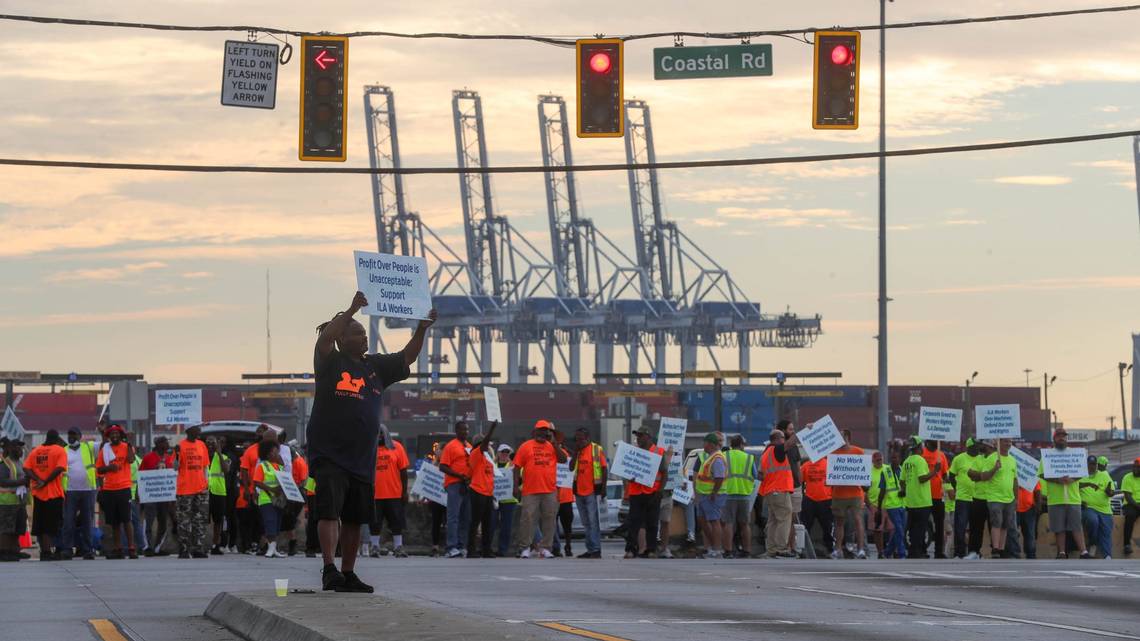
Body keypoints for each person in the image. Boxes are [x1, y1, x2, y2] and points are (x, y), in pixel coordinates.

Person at [306, 291, 434, 592]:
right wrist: (350, 310)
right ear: (342, 339)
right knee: (329, 512)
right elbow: (323, 340)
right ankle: (329, 569)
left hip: (361, 459)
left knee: (354, 518)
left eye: (365, 333)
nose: (365, 338)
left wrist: (422, 328)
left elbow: (407, 357)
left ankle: (348, 572)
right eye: (357, 333)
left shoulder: (375, 366)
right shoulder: (330, 362)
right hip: (330, 454)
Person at [513, 420, 567, 558]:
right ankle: (525, 547)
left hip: (549, 490)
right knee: (528, 519)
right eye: (540, 430)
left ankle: (545, 548)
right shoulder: (525, 446)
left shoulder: (552, 446)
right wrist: (515, 486)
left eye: (545, 430)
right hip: (530, 490)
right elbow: (517, 466)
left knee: (549, 519)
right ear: (534, 431)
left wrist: (555, 444)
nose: (542, 433)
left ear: (548, 433)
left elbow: (563, 459)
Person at [1037, 429, 1089, 559]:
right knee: (1059, 528)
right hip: (1055, 498)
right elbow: (1042, 474)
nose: (1062, 438)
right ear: (1054, 439)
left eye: (1064, 436)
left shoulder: (1075, 453)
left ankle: (1084, 552)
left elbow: (1081, 471)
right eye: (1059, 436)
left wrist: (1072, 479)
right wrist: (1057, 480)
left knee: (1077, 526)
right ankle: (1061, 552)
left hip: (1073, 498)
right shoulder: (1048, 455)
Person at [623, 426, 672, 559]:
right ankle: (631, 549)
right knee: (633, 522)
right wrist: (628, 478)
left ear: (648, 437)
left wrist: (660, 491)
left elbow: (664, 473)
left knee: (652, 522)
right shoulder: (634, 452)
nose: (638, 438)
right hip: (636, 493)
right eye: (637, 436)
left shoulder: (658, 452)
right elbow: (626, 472)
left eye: (641, 436)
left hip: (652, 493)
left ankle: (651, 550)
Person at [23, 430, 68, 561]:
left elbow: (26, 468)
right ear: (56, 438)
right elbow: (59, 468)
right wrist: (45, 481)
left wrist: (37, 480)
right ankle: (49, 552)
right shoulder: (59, 450)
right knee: (52, 524)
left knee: (40, 525)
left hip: (38, 494)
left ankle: (44, 552)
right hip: (53, 494)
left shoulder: (36, 451)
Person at [969, 438, 1015, 558]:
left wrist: (1017, 498)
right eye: (1006, 441)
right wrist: (995, 468)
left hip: (1009, 498)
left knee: (1005, 525)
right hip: (993, 497)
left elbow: (1015, 480)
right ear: (998, 444)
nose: (1008, 443)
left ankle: (1001, 548)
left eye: (1010, 441)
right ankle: (994, 549)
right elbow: (983, 476)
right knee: (996, 523)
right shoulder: (990, 459)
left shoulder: (1012, 460)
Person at [369, 426, 409, 558]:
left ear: (386, 434)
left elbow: (403, 471)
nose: (379, 436)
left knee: (397, 522)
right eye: (376, 433)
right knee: (375, 523)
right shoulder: (369, 449)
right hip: (375, 494)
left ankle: (398, 547)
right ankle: (374, 547)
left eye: (381, 433)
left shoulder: (397, 447)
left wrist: (404, 491)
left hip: (394, 493)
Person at [568, 428, 607, 559]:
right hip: (579, 491)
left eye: (581, 439)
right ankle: (590, 549)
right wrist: (575, 453)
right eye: (576, 439)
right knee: (585, 523)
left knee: (593, 521)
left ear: (588, 438)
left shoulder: (596, 449)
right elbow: (571, 467)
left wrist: (603, 488)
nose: (578, 441)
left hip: (591, 491)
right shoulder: (578, 452)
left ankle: (596, 549)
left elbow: (604, 468)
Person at [829, 429, 868, 559]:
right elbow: (830, 475)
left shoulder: (858, 452)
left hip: (855, 493)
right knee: (839, 522)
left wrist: (866, 482)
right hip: (838, 493)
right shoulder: (833, 453)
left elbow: (864, 472)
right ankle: (838, 549)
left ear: (847, 437)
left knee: (858, 520)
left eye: (841, 436)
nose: (839, 439)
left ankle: (861, 549)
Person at [60, 427, 98, 560]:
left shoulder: (89, 447)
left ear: (80, 436)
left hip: (87, 491)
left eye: (74, 435)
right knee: (68, 521)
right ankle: (67, 549)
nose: (71, 437)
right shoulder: (63, 451)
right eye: (69, 435)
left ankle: (87, 550)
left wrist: (104, 431)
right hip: (70, 491)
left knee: (87, 522)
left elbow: (105, 445)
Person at [173, 425, 210, 559]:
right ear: (189, 431)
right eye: (197, 429)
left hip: (201, 489)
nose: (199, 431)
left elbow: (205, 466)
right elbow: (175, 467)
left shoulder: (202, 445)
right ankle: (184, 549)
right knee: (184, 521)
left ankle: (198, 548)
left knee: (199, 520)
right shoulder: (180, 446)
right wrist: (176, 455)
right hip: (185, 489)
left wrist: (206, 485)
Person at [759, 429, 797, 558]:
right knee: (785, 518)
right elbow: (790, 443)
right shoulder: (778, 449)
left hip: (770, 491)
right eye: (782, 437)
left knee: (773, 521)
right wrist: (803, 431)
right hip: (779, 490)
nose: (784, 440)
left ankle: (771, 550)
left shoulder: (766, 453)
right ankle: (781, 549)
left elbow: (760, 475)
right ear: (776, 439)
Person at [900, 436, 939, 559]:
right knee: (920, 528)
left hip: (911, 501)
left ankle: (918, 551)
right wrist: (935, 471)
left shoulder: (907, 461)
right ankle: (916, 552)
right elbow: (922, 478)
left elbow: (902, 481)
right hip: (922, 500)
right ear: (918, 447)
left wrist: (907, 490)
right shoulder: (920, 460)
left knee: (912, 528)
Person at [438, 421, 472, 559]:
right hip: (454, 484)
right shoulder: (450, 446)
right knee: (453, 517)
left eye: (467, 430)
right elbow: (443, 466)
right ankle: (451, 547)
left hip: (467, 485)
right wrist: (459, 475)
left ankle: (461, 545)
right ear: (457, 430)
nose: (466, 432)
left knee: (466, 517)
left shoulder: (469, 446)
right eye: (463, 430)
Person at [466, 422, 499, 558]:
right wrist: (491, 429)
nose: (488, 447)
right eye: (486, 444)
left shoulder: (486, 458)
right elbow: (484, 444)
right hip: (477, 491)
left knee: (487, 523)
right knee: (475, 522)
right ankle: (471, 550)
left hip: (487, 493)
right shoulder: (476, 453)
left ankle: (486, 549)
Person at [238, 426, 271, 555]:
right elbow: (244, 471)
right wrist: (246, 489)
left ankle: (264, 545)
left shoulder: (271, 451)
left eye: (262, 432)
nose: (259, 434)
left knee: (265, 519)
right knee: (251, 520)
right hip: (254, 491)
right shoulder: (250, 451)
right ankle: (250, 544)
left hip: (268, 491)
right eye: (258, 432)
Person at [140, 436, 176, 556]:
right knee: (149, 521)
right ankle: (148, 547)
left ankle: (157, 547)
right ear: (159, 444)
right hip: (151, 495)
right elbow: (141, 475)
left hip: (164, 495)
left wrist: (172, 496)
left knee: (163, 522)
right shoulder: (148, 458)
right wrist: (140, 494)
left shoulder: (168, 458)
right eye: (165, 442)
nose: (167, 444)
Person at [723, 435, 757, 559]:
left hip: (728, 494)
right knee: (745, 524)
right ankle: (747, 551)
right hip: (744, 495)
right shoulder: (749, 457)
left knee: (728, 523)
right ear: (742, 445)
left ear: (731, 445)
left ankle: (728, 551)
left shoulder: (725, 456)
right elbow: (755, 475)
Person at [251, 440, 287, 558]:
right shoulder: (262, 466)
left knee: (277, 523)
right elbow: (257, 482)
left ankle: (274, 548)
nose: (277, 455)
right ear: (267, 454)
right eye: (275, 452)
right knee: (270, 521)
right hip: (266, 499)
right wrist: (272, 490)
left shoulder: (280, 467)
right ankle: (270, 547)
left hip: (278, 500)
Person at [694, 433, 727, 558]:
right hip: (704, 494)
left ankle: (717, 549)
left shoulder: (717, 458)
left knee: (714, 521)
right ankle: (713, 546)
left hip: (712, 495)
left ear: (711, 444)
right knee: (702, 520)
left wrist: (714, 492)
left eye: (705, 443)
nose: (703, 446)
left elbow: (719, 477)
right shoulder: (710, 457)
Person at [1079, 455, 1115, 559]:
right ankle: (1093, 542)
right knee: (1093, 520)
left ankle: (1107, 556)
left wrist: (1109, 492)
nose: (1092, 466)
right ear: (1086, 465)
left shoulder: (1104, 475)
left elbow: (1111, 492)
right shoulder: (1080, 475)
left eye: (1094, 464)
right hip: (1088, 507)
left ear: (1097, 465)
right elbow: (1074, 488)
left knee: (1106, 531)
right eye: (1090, 464)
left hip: (1105, 509)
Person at [948, 438, 978, 559]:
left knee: (975, 528)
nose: (977, 448)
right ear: (969, 447)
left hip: (977, 498)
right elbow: (951, 475)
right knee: (960, 527)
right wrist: (957, 488)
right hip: (962, 498)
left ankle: (973, 552)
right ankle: (959, 552)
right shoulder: (959, 459)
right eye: (975, 446)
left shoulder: (981, 459)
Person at [0, 438, 30, 562]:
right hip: (7, 501)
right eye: (17, 447)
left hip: (19, 502)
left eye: (21, 447)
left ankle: (14, 550)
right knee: (6, 529)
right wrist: (21, 482)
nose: (20, 449)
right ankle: (4, 552)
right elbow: (2, 481)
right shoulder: (5, 463)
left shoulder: (20, 463)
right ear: (11, 449)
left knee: (17, 529)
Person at [920, 440, 950, 558]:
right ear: (928, 440)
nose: (936, 441)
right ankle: (922, 550)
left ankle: (939, 552)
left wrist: (947, 479)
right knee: (923, 524)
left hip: (938, 495)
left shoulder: (941, 455)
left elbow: (944, 474)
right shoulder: (921, 454)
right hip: (924, 495)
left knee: (939, 525)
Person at [800, 454, 833, 556]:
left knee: (828, 527)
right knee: (805, 526)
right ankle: (802, 549)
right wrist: (802, 495)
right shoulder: (806, 465)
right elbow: (799, 481)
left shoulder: (829, 464)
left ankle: (830, 549)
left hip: (826, 500)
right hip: (810, 499)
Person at [876, 445, 907, 559]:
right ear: (890, 459)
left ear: (900, 459)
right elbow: (882, 491)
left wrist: (904, 491)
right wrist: (879, 508)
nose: (895, 460)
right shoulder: (885, 471)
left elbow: (906, 485)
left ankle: (887, 552)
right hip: (891, 505)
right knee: (899, 529)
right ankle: (901, 553)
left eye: (897, 458)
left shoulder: (903, 470)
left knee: (901, 530)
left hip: (903, 504)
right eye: (893, 458)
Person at [551, 429, 576, 557]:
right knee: (552, 524)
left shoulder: (566, 453)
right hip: (553, 496)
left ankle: (568, 545)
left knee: (567, 526)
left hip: (566, 497)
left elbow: (573, 462)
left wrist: (566, 448)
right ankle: (555, 547)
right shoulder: (548, 454)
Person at [205, 436, 231, 555]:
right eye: (208, 442)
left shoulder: (224, 457)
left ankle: (216, 544)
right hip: (203, 491)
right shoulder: (201, 456)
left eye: (213, 443)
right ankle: (199, 544)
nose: (210, 444)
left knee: (218, 521)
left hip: (218, 492)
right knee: (201, 520)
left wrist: (219, 453)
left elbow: (226, 470)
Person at [866, 450, 893, 557]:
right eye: (877, 460)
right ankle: (880, 552)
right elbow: (864, 491)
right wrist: (870, 506)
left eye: (880, 459)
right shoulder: (868, 471)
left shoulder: (888, 469)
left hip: (889, 504)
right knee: (878, 531)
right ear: (872, 460)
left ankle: (891, 550)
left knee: (893, 529)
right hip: (875, 506)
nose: (879, 461)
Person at [493, 444, 517, 558]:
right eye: (502, 452)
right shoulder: (492, 465)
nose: (504, 454)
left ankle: (503, 549)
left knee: (506, 526)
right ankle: (491, 548)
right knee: (492, 524)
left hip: (509, 500)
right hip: (495, 499)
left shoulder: (513, 465)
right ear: (498, 453)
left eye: (507, 452)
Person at [1015, 479, 1042, 559]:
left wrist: (1038, 505)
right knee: (1013, 534)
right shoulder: (1012, 472)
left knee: (1030, 534)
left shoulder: (1030, 473)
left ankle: (1031, 555)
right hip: (1013, 508)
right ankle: (1014, 554)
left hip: (1029, 509)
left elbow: (1037, 490)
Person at [1122, 457, 1140, 555]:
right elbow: (1128, 496)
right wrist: (1138, 506)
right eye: (1134, 467)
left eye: (1138, 467)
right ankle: (1126, 545)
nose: (1135, 469)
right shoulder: (1127, 477)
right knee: (1130, 515)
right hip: (1130, 504)